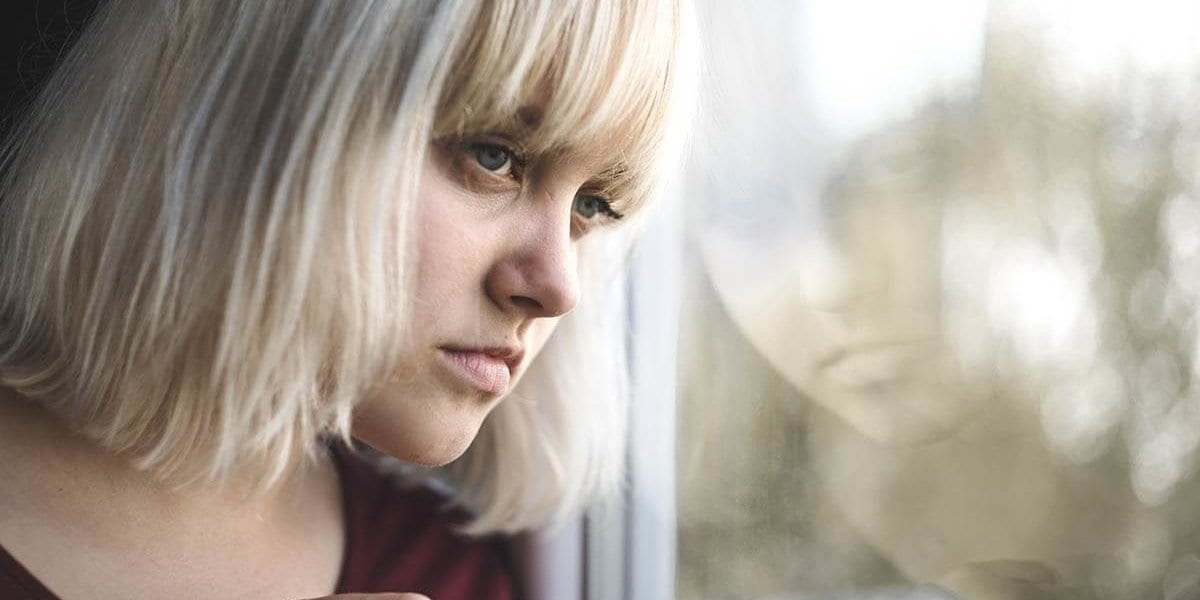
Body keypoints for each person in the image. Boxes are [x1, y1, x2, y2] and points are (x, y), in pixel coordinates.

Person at [0, 1, 693, 598]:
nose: (558, 287)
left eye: (595, 205)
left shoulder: (448, 576)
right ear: (253, 99)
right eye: (493, 155)